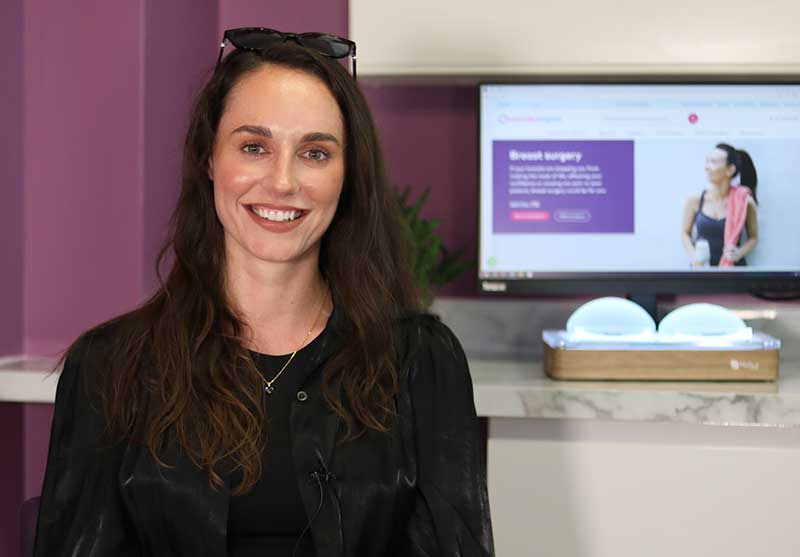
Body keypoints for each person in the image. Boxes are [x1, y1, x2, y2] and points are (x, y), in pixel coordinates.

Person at [34, 28, 494, 556]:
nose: (282, 182)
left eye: (315, 153)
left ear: (348, 175)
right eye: (254, 147)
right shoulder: (111, 366)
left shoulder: (422, 362)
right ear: (210, 159)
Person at [681, 143, 759, 267]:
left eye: (713, 162)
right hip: (702, 271)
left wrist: (738, 253)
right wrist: (693, 256)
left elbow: (753, 237)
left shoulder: (744, 201)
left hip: (734, 272)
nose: (707, 167)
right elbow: (685, 233)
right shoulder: (695, 200)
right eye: (707, 161)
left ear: (730, 170)